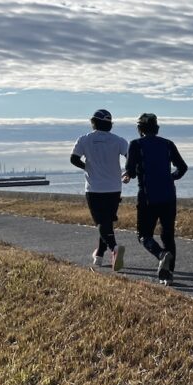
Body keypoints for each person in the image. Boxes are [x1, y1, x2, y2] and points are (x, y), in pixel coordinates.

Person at [123, 113, 187, 286]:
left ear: (140, 129)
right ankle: (169, 274)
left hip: (147, 197)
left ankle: (161, 255)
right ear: (156, 128)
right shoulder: (168, 144)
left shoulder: (136, 144)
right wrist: (170, 177)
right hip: (168, 196)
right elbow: (183, 167)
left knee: (143, 235)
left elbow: (131, 170)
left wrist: (127, 174)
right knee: (168, 236)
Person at [69, 108, 129, 271]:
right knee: (107, 222)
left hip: (94, 188)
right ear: (110, 124)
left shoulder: (85, 140)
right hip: (114, 188)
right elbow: (131, 158)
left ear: (93, 122)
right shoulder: (119, 140)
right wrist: (128, 172)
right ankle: (99, 256)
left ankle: (114, 248)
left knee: (101, 222)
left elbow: (73, 159)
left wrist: (87, 167)